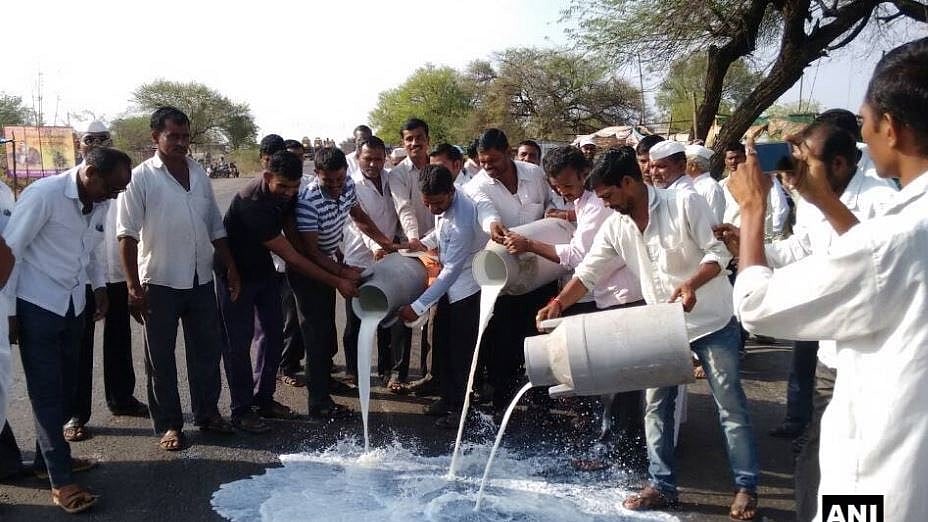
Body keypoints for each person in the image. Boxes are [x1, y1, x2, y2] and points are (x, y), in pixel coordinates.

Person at [730, 38, 928, 520]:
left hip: (878, 484)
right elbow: (852, 252)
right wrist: (821, 202)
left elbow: (757, 305)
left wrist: (752, 209)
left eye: (864, 122)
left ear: (890, 127)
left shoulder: (896, 229)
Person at [537, 147, 759, 520]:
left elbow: (718, 254)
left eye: (608, 196)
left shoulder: (684, 203)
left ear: (629, 183)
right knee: (657, 407)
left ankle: (746, 486)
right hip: (662, 326)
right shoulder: (617, 225)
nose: (605, 204)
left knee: (730, 406)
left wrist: (691, 284)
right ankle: (662, 485)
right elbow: (590, 272)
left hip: (711, 322)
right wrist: (559, 302)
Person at [3, 146, 132, 513]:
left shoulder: (100, 200)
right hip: (36, 304)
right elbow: (11, 251)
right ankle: (61, 482)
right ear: (90, 173)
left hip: (74, 304)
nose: (115, 196)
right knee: (46, 393)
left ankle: (48, 462)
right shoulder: (44, 196)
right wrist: (10, 310)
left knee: (69, 386)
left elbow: (89, 250)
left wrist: (100, 287)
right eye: (112, 188)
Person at [505, 146, 645, 467]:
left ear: (586, 174)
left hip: (623, 298)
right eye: (557, 188)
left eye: (568, 186)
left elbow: (583, 260)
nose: (562, 193)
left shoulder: (599, 206)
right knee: (614, 380)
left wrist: (529, 244)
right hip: (608, 296)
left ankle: (619, 452)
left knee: (619, 383)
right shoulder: (586, 203)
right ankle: (614, 447)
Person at [117, 106, 239, 452]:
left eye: (186, 136)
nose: (181, 143)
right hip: (159, 281)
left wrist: (230, 265)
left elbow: (214, 224)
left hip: (200, 278)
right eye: (174, 136)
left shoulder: (198, 172)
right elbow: (126, 235)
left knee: (206, 351)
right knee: (161, 358)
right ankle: (169, 424)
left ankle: (208, 413)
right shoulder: (140, 177)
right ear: (156, 137)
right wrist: (132, 287)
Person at [216, 150, 335, 433]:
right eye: (282, 186)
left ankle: (264, 400)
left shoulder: (288, 192)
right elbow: (291, 256)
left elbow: (294, 233)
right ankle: (241, 410)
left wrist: (328, 260)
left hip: (263, 271)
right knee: (238, 343)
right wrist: (335, 278)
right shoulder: (251, 202)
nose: (289, 193)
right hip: (235, 275)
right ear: (267, 176)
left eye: (294, 188)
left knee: (272, 335)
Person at [291, 146, 401, 419]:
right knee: (315, 335)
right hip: (309, 270)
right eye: (329, 181)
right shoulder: (308, 201)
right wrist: (341, 273)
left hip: (327, 259)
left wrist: (386, 243)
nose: (337, 186)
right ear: (316, 174)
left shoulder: (347, 183)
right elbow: (311, 252)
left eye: (340, 179)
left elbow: (360, 217)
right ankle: (318, 402)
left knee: (326, 329)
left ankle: (325, 382)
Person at [467, 128, 553, 415]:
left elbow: (552, 202)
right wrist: (493, 226)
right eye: (483, 162)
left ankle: (542, 401)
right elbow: (484, 210)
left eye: (493, 160)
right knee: (504, 340)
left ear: (508, 152)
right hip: (505, 274)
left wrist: (554, 213)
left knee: (541, 337)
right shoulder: (478, 185)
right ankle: (503, 403)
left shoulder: (534, 173)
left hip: (541, 270)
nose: (488, 167)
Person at [397, 165, 486, 428]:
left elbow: (451, 270)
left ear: (450, 192)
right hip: (450, 289)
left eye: (437, 203)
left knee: (461, 353)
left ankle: (462, 410)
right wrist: (424, 242)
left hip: (466, 290)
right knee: (444, 346)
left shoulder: (463, 218)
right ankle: (447, 398)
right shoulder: (444, 205)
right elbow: (440, 231)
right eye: (427, 204)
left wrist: (418, 305)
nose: (433, 209)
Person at [341, 136, 410, 391]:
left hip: (388, 259)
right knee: (356, 319)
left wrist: (400, 242)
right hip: (359, 258)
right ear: (358, 157)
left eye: (378, 159)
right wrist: (377, 246)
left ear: (385, 158)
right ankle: (353, 371)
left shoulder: (392, 179)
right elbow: (360, 222)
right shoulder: (350, 184)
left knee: (386, 317)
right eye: (368, 158)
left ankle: (386, 370)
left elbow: (400, 211)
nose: (373, 164)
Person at [720, 142, 790, 240]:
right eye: (730, 158)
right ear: (725, 161)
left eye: (737, 157)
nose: (734, 161)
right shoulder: (722, 185)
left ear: (745, 157)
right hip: (732, 241)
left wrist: (771, 235)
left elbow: (781, 208)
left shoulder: (764, 180)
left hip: (762, 240)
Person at [685, 144, 726, 223]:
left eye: (684, 163)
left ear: (693, 166)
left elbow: (715, 221)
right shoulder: (689, 184)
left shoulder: (711, 187)